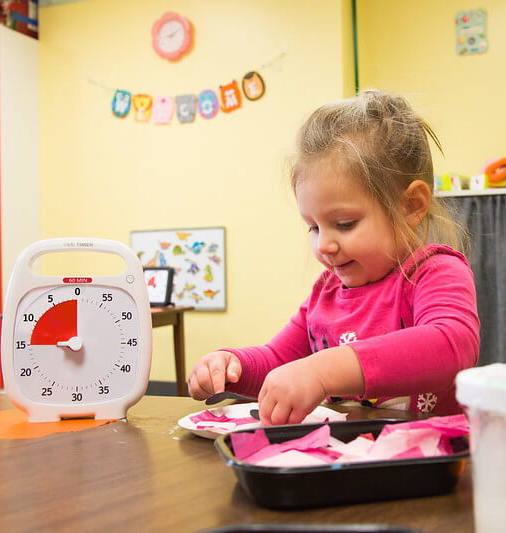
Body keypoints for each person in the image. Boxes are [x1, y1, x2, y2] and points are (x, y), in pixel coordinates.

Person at [188, 90, 480, 425]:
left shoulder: (434, 271)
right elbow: (280, 359)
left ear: (410, 206)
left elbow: (451, 345)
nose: (323, 245)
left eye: (344, 224)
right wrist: (230, 365)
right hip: (349, 461)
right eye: (313, 227)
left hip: (429, 464)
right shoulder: (325, 294)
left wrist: (324, 370)